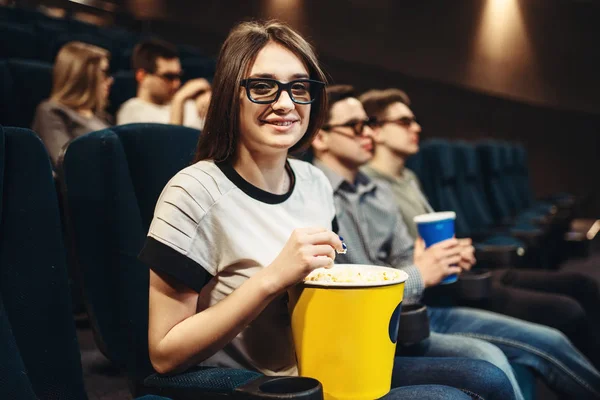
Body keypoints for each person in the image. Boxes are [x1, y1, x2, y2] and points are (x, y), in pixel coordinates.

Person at [137, 20, 516, 400]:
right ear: (229, 95)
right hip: (271, 389)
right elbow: (165, 355)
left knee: (487, 376)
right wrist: (272, 279)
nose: (285, 103)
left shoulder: (313, 182)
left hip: (336, 363)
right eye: (263, 86)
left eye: (299, 88)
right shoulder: (194, 191)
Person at [311, 84, 600, 400]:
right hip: (379, 329)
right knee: (491, 362)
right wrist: (421, 271)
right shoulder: (314, 196)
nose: (368, 132)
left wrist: (434, 259)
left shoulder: (377, 192)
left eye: (368, 123)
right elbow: (350, 301)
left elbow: (407, 256)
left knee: (547, 338)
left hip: (419, 307)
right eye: (355, 126)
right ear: (320, 137)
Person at [32, 41, 113, 167]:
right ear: (83, 76)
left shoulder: (101, 115)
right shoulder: (51, 111)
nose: (110, 80)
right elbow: (66, 162)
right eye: (103, 72)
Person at [116, 39, 210, 130]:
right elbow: (170, 144)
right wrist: (179, 100)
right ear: (142, 76)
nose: (176, 84)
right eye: (168, 77)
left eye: (178, 76)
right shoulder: (131, 111)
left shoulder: (190, 103)